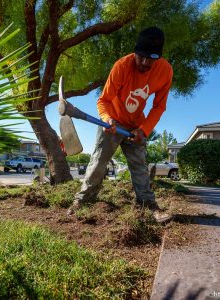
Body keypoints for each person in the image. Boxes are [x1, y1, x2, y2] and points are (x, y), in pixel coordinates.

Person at [67, 26, 173, 220]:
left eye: (151, 59)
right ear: (135, 51)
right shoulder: (122, 66)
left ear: (158, 57)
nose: (144, 62)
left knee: (140, 166)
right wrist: (108, 120)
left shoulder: (165, 71)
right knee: (98, 162)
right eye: (140, 56)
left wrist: (144, 130)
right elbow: (103, 100)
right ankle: (82, 200)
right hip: (112, 123)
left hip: (136, 127)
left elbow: (159, 107)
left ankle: (148, 205)